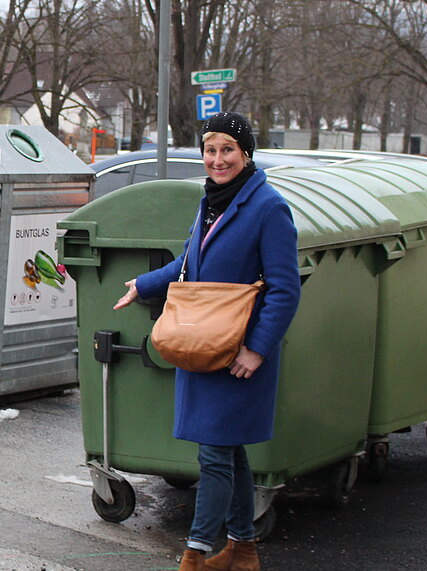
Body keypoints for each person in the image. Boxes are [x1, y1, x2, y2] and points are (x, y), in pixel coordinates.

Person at [112, 112, 300, 571]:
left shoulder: (268, 207)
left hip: (237, 349)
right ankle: (242, 549)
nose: (218, 159)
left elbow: (285, 287)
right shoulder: (211, 203)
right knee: (226, 449)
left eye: (227, 150)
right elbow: (189, 261)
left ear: (246, 154)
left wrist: (257, 348)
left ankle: (195, 553)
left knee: (215, 453)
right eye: (211, 150)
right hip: (205, 344)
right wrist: (145, 283)